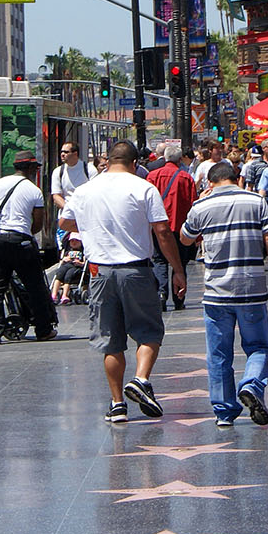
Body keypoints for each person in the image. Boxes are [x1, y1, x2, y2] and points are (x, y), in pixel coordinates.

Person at [61, 139, 185, 424]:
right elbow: (162, 230)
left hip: (100, 273)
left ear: (107, 161)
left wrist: (92, 226)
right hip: (136, 270)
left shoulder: (85, 190)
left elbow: (64, 223)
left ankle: (117, 404)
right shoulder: (143, 188)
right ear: (134, 163)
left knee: (110, 340)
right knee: (149, 331)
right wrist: (177, 269)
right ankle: (140, 379)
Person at [179, 161, 268, 428]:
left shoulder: (202, 206)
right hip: (251, 288)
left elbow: (185, 238)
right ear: (236, 178)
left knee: (219, 353)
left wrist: (200, 203)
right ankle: (252, 384)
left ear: (210, 183)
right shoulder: (256, 201)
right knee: (258, 346)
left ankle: (224, 411)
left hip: (216, 292)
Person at [0, 151, 53, 344]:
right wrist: (25, 232)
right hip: (22, 242)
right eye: (34, 168)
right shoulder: (34, 191)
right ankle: (43, 330)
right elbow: (38, 224)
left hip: (0, 241)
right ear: (30, 169)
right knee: (35, 288)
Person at [147, 141, 197, 311]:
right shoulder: (186, 178)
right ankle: (179, 297)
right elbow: (192, 205)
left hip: (158, 226)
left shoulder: (153, 176)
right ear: (179, 160)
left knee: (159, 260)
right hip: (179, 226)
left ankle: (161, 294)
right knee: (180, 261)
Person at [49, 140, 91, 247]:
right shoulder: (58, 172)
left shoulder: (89, 169)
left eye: (66, 152)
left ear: (75, 153)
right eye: (61, 152)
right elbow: (56, 196)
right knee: (64, 248)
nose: (62, 154)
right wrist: (69, 210)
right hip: (65, 219)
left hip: (85, 218)